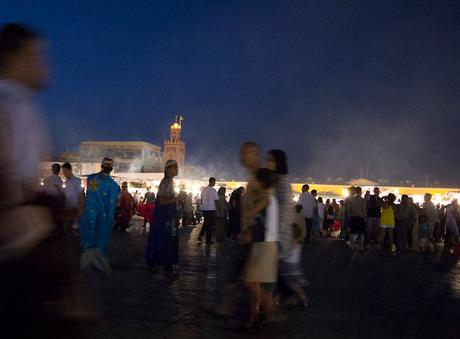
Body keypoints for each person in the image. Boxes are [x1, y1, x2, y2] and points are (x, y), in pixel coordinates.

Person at [0, 23, 93, 337]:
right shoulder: (9, 105)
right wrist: (44, 200)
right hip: (20, 253)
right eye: (35, 56)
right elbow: (11, 185)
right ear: (13, 58)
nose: (45, 65)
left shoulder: (22, 105)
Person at [239, 168, 279, 333]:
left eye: (254, 179)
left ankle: (267, 313)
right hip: (262, 244)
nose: (252, 181)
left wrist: (248, 195)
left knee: (250, 281)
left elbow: (248, 212)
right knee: (253, 282)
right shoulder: (268, 198)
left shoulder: (266, 198)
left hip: (266, 246)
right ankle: (256, 317)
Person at [145, 160, 186, 276]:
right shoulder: (167, 182)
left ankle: (155, 263)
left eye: (177, 167)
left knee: (161, 239)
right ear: (167, 169)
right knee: (166, 240)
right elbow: (162, 201)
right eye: (174, 168)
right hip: (164, 218)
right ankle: (167, 268)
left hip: (165, 217)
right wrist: (178, 199)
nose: (177, 170)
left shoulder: (168, 181)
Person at [79, 157, 119, 275]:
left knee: (89, 242)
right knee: (98, 242)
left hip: (88, 216)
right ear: (111, 168)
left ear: (102, 166)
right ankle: (102, 266)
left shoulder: (91, 178)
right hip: (101, 218)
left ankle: (85, 268)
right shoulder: (113, 186)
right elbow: (111, 206)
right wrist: (110, 221)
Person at [62, 162, 84, 234]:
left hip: (75, 209)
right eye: (63, 171)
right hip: (68, 209)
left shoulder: (76, 181)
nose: (64, 173)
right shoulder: (67, 182)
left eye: (65, 171)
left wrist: (81, 210)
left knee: (73, 229)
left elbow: (81, 196)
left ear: (70, 170)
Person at [198, 177, 219, 245]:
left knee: (206, 222)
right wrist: (219, 209)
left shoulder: (204, 190)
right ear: (212, 182)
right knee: (209, 224)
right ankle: (208, 239)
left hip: (205, 208)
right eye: (214, 182)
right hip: (211, 208)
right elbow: (216, 201)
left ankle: (201, 234)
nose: (214, 183)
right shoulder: (213, 191)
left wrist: (202, 206)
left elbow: (201, 199)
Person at [348, 187, 367, 251]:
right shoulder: (362, 200)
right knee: (362, 233)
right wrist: (365, 217)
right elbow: (363, 209)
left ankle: (352, 245)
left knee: (352, 232)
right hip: (360, 217)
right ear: (360, 192)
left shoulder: (351, 199)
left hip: (353, 216)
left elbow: (348, 208)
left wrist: (349, 216)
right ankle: (361, 246)